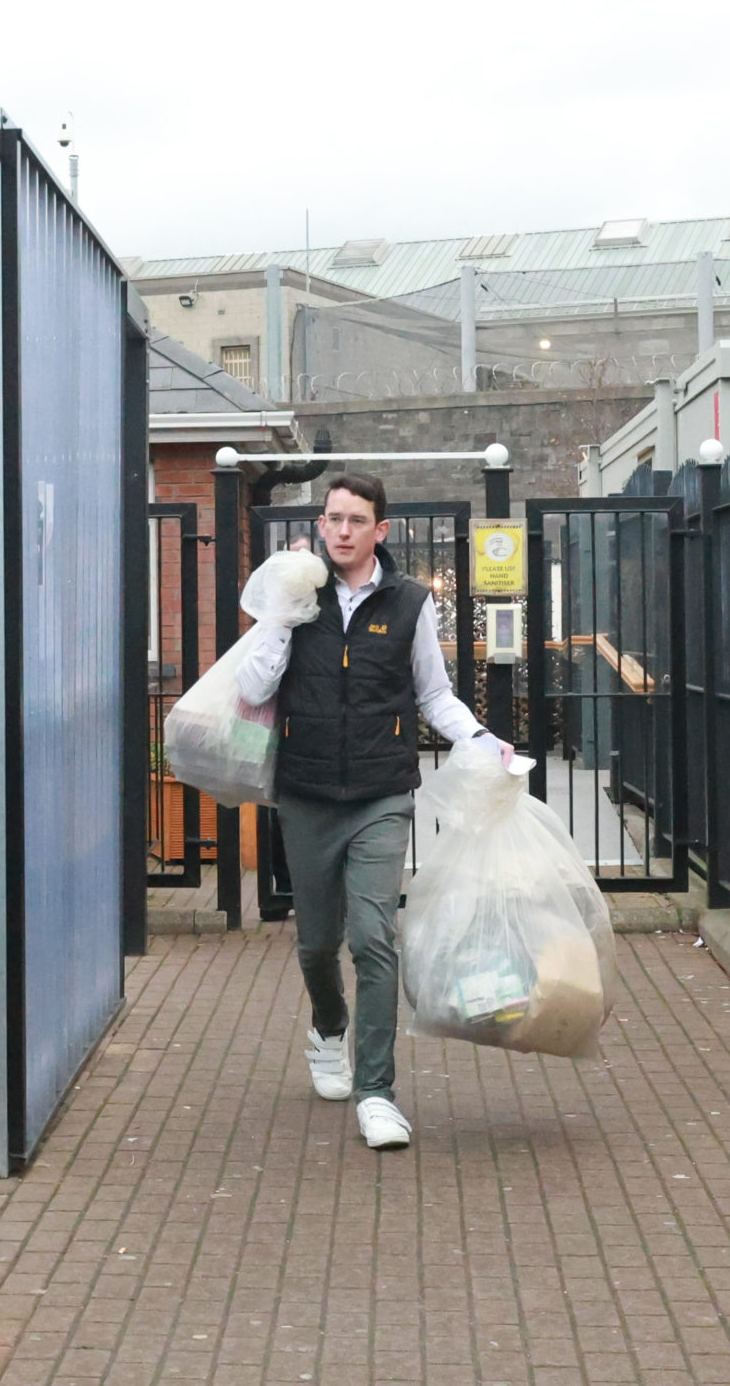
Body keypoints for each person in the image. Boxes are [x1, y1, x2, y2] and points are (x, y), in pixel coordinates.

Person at [236, 473, 511, 1150]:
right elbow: (252, 685)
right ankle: (328, 1024)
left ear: (380, 530)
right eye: (333, 518)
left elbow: (434, 694)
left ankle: (378, 1092)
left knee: (372, 936)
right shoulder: (299, 596)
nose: (342, 530)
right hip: (304, 793)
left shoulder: (412, 603)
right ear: (321, 524)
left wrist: (480, 739)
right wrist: (280, 611)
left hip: (382, 794)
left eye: (357, 519)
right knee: (316, 942)